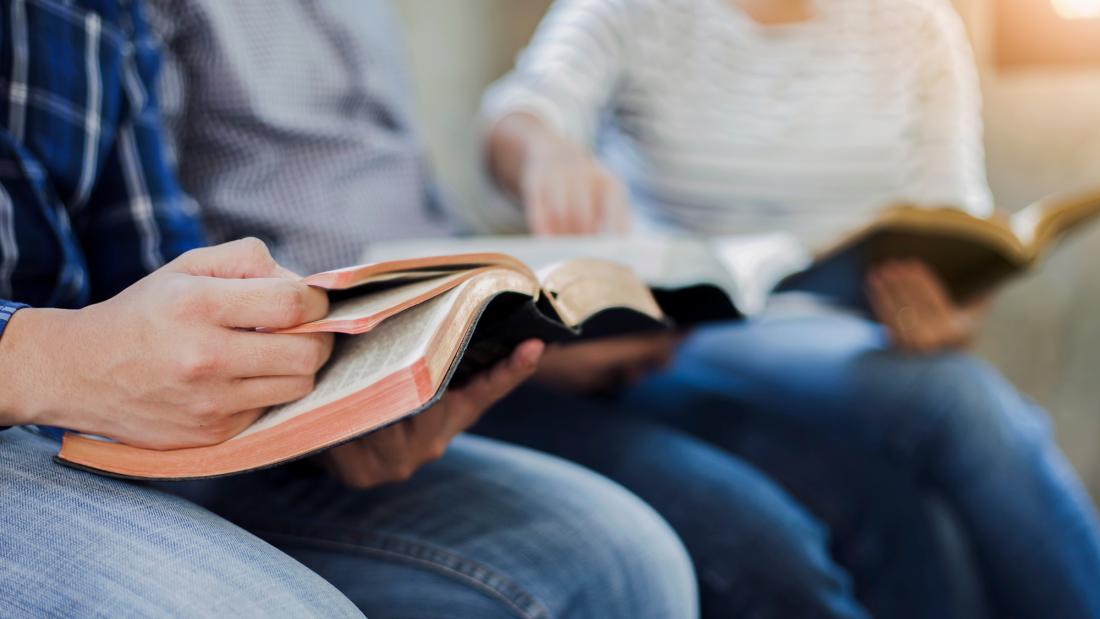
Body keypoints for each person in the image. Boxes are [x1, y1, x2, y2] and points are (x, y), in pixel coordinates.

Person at [147, 0, 1017, 617]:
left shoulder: (914, 26)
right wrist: (541, 175)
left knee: (886, 502)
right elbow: (168, 260)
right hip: (382, 353)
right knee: (842, 481)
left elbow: (406, 220)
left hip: (513, 331)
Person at [0, 1, 698, 617]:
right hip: (30, 415)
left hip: (107, 432)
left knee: (616, 556)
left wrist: (327, 406)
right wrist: (53, 359)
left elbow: (145, 265)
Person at [482, 0, 1100, 617]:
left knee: (937, 428)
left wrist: (952, 314)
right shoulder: (637, 12)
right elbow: (521, 113)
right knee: (953, 400)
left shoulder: (915, 23)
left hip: (854, 337)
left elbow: (954, 222)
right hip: (688, 332)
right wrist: (546, 153)